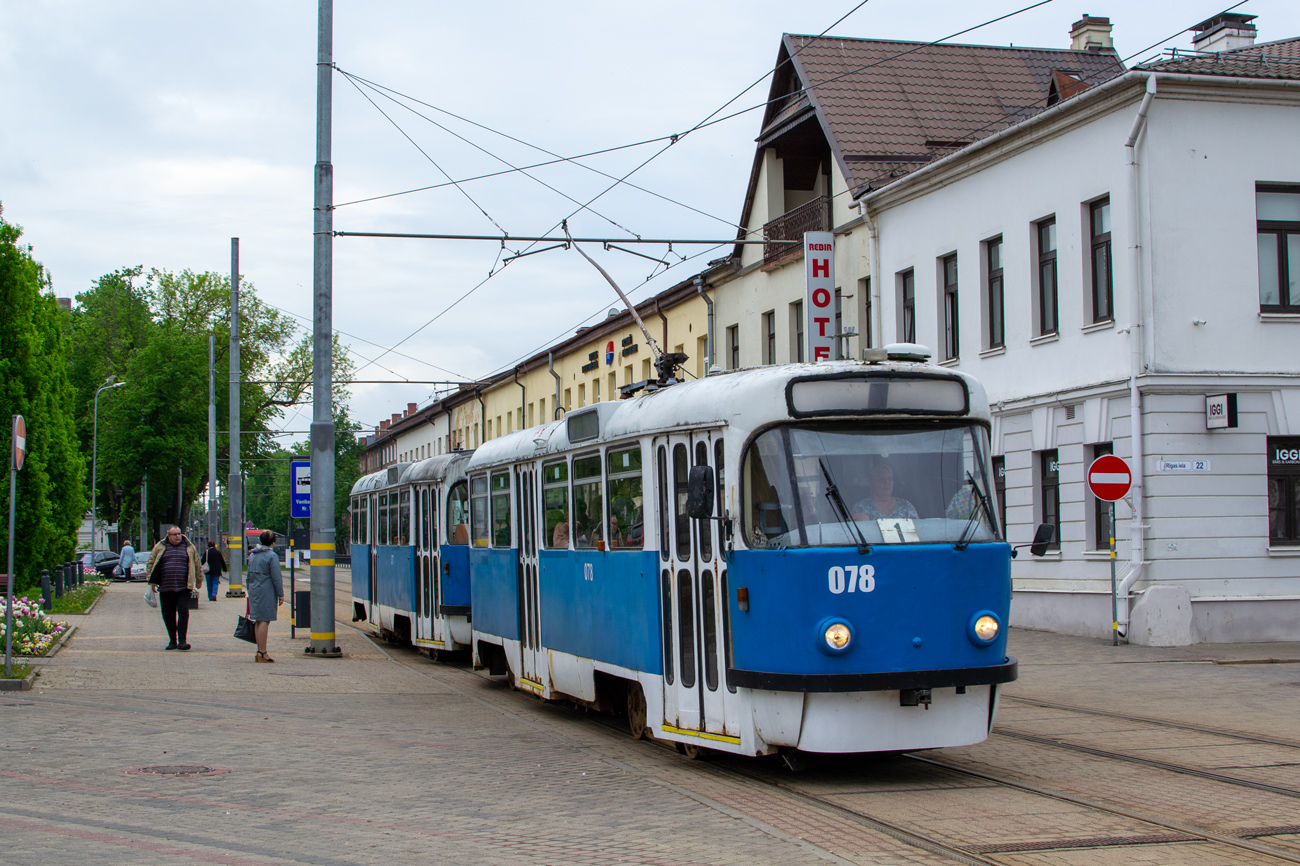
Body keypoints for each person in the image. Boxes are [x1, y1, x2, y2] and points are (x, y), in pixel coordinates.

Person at [144, 525, 203, 651]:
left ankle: (182, 641)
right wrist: (151, 581)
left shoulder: (189, 546)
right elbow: (151, 562)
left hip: (183, 587)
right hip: (165, 587)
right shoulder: (160, 546)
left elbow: (197, 563)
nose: (177, 536)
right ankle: (172, 640)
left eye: (179, 534)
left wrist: (199, 580)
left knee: (183, 612)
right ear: (168, 536)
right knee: (168, 614)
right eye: (174, 534)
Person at [246, 529, 284, 663]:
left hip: (254, 590)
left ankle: (259, 651)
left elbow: (248, 575)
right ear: (272, 542)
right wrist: (280, 594)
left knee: (258, 620)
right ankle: (262, 652)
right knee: (264, 620)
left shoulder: (253, 555)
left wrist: (249, 589)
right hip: (266, 591)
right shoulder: (271, 556)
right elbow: (276, 577)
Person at [852, 461, 919, 520]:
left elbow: (919, 528)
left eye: (889, 479)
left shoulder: (905, 505)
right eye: (881, 479)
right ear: (871, 483)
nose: (886, 483)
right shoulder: (862, 507)